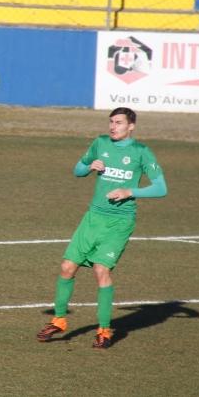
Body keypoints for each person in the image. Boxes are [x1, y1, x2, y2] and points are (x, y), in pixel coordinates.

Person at [36, 107, 167, 349]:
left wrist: (129, 191)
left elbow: (161, 188)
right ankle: (59, 321)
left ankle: (104, 330)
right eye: (111, 122)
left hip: (119, 222)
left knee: (101, 270)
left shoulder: (141, 152)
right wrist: (89, 167)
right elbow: (77, 170)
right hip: (93, 218)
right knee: (66, 267)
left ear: (131, 126)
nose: (113, 127)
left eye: (118, 123)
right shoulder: (100, 143)